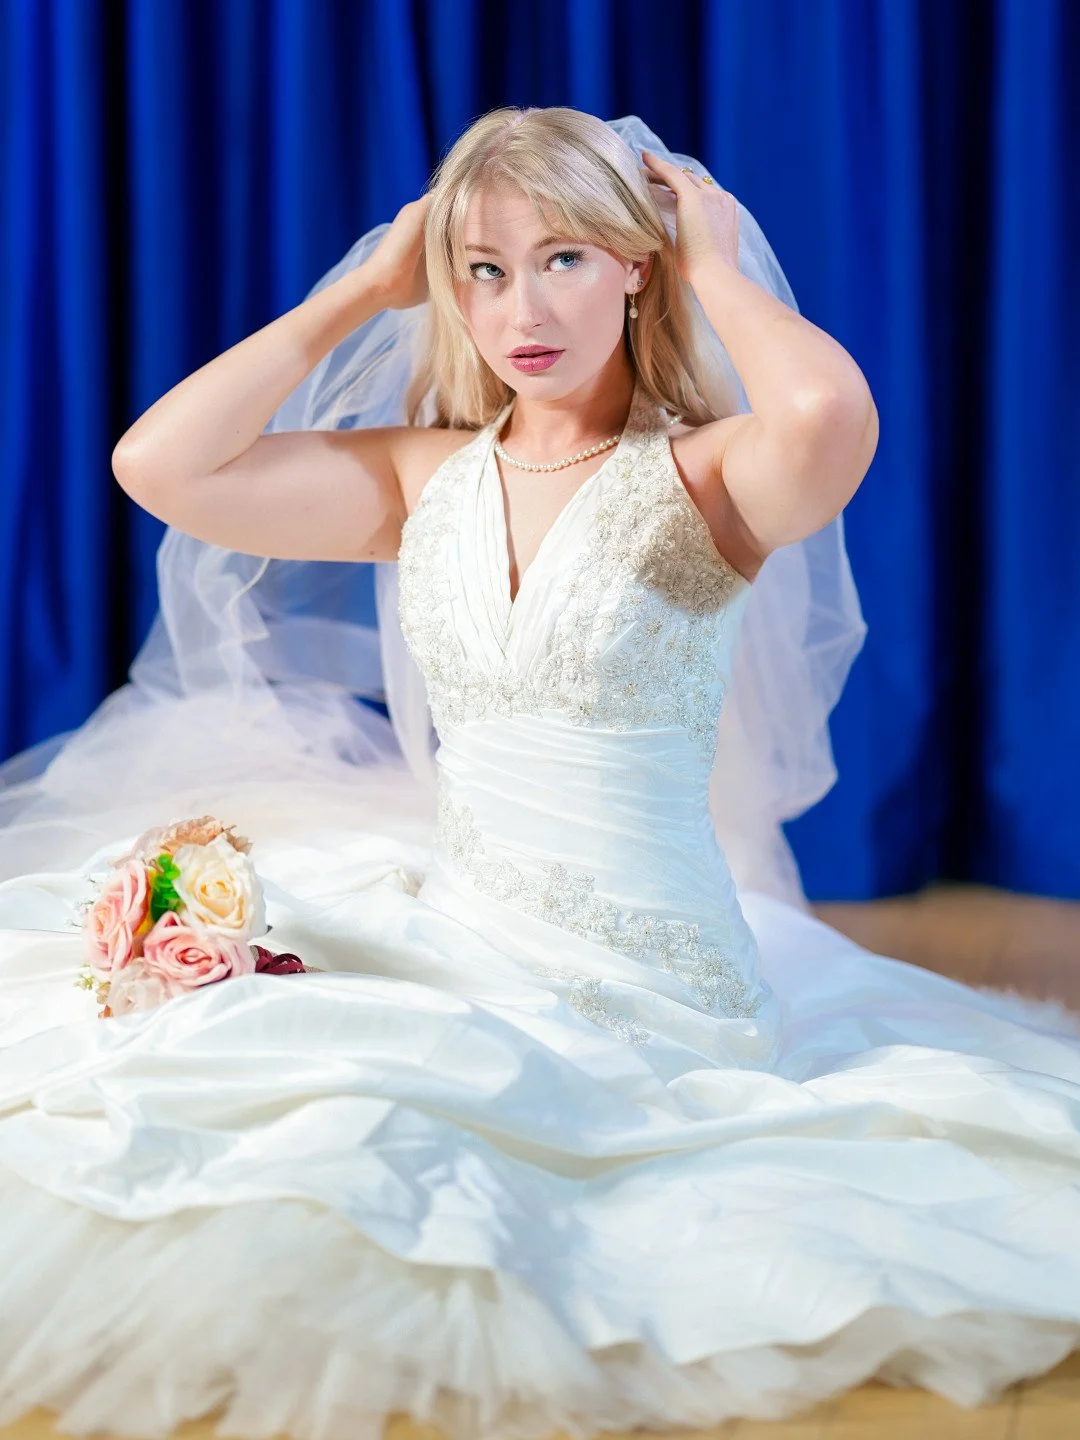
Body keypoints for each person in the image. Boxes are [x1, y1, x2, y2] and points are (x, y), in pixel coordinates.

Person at [1, 105, 1080, 1440]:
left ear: (636, 267)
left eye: (566, 257)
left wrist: (720, 267)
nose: (523, 306)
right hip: (465, 922)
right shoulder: (425, 479)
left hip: (652, 984)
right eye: (485, 269)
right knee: (225, 1080)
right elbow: (158, 465)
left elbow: (828, 411)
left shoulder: (703, 478)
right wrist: (361, 291)